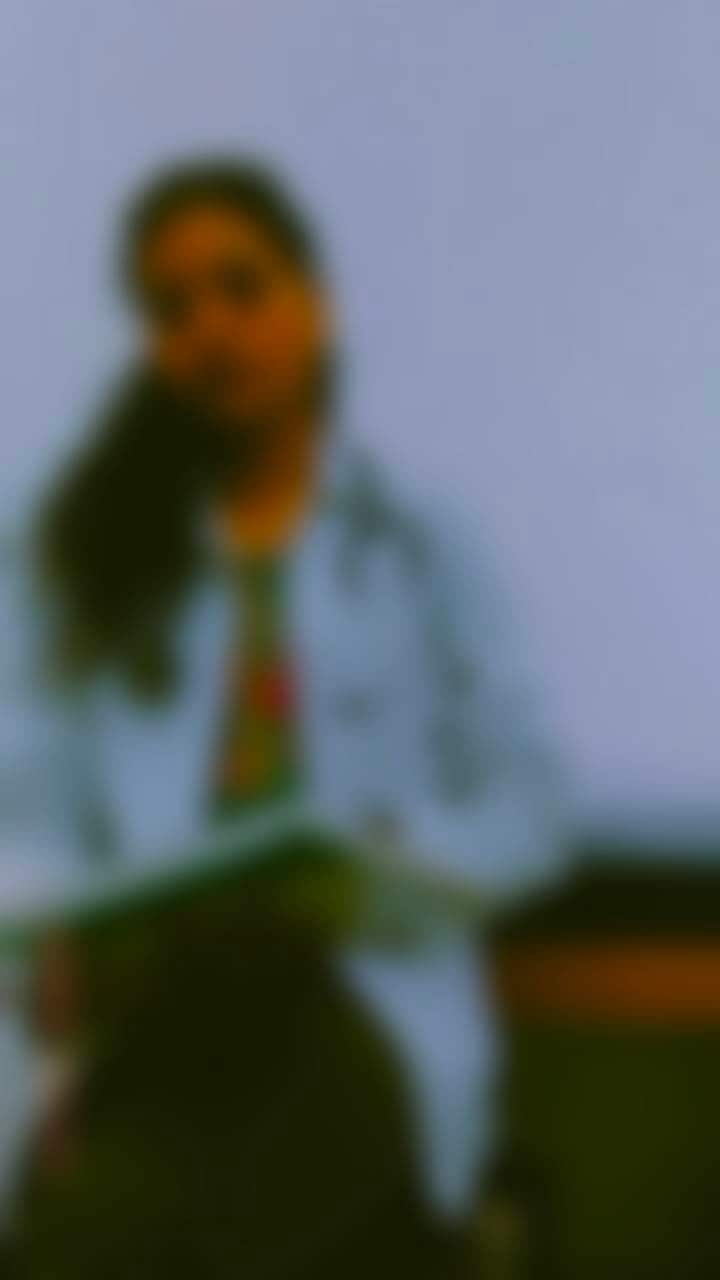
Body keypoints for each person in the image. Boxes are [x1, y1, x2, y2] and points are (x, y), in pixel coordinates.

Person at [0, 157, 567, 1276]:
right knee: (91, 1226)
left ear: (317, 302)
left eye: (241, 286)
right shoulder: (91, 558)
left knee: (265, 1174)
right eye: (172, 309)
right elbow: (29, 802)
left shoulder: (420, 541)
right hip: (152, 1022)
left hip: (354, 1001)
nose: (211, 329)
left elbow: (530, 797)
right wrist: (62, 923)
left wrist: (403, 858)